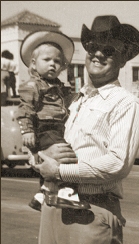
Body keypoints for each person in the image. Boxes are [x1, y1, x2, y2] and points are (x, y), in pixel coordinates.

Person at [33, 16, 139, 244]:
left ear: (122, 59)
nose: (98, 53)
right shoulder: (73, 100)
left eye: (109, 50)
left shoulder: (125, 104)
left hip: (91, 212)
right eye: (93, 45)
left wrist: (59, 172)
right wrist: (42, 155)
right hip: (53, 207)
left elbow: (116, 164)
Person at [16, 31, 89, 211]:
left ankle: (43, 193)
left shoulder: (57, 86)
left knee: (54, 159)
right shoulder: (32, 85)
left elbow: (66, 99)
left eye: (57, 62)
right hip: (45, 127)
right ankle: (67, 193)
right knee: (66, 155)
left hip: (57, 127)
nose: (52, 64)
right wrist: (27, 130)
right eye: (47, 60)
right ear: (34, 63)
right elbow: (24, 109)